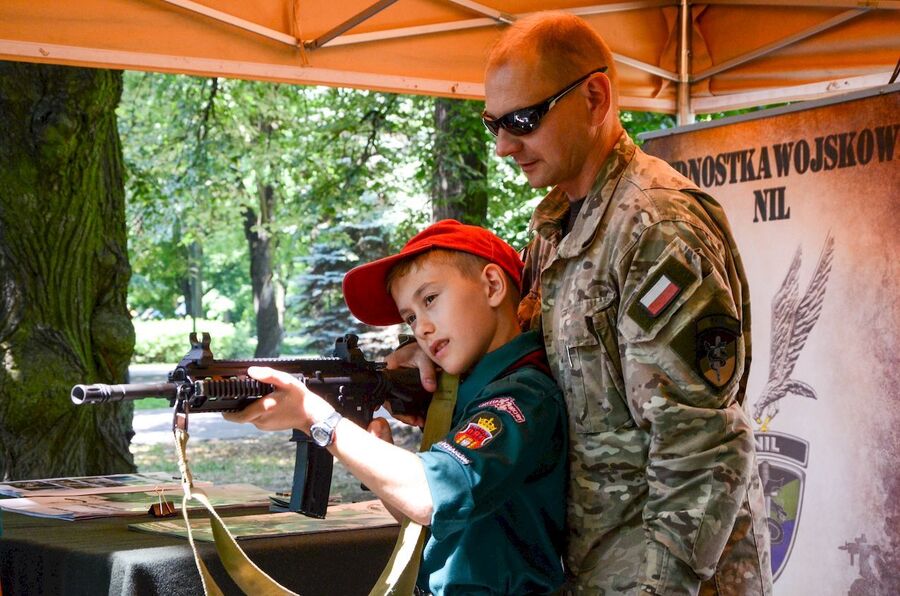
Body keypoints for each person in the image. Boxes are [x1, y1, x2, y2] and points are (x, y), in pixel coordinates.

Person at [389, 12, 773, 596]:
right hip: (595, 569)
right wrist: (434, 368)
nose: (502, 146)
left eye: (522, 120)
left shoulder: (656, 228)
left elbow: (701, 445)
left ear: (595, 98)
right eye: (493, 122)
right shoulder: (555, 230)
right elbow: (526, 360)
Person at [225, 219, 568, 595]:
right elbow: (424, 517)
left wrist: (316, 418)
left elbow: (429, 496)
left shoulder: (521, 395)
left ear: (492, 285)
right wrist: (382, 463)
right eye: (410, 317)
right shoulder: (467, 391)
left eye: (430, 299)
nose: (420, 328)